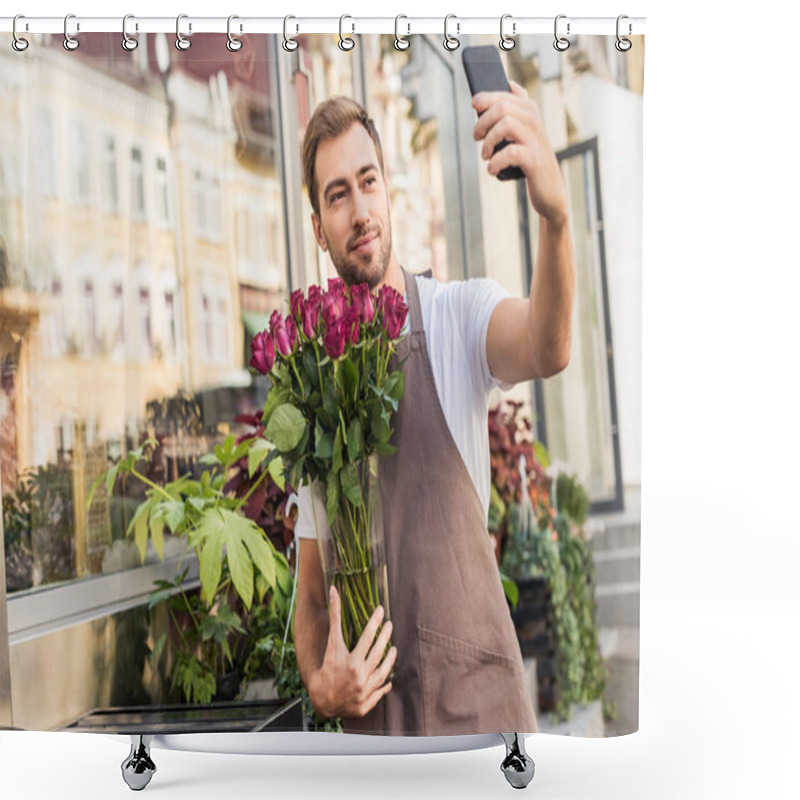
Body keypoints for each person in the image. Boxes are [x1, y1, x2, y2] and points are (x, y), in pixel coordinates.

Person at [292, 85, 574, 736]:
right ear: (318, 227)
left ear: (388, 189)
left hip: (482, 730)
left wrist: (555, 219)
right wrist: (320, 681)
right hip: (381, 753)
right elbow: (311, 594)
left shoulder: (454, 317)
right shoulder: (315, 390)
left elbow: (546, 344)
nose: (360, 210)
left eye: (368, 182)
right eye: (337, 196)